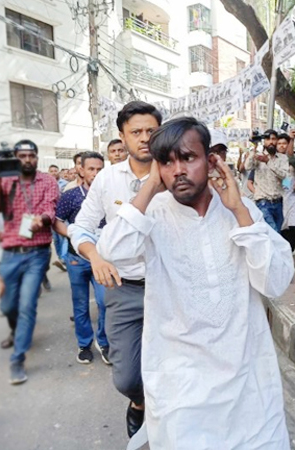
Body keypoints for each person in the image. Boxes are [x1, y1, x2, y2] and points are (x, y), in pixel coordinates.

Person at [97, 117, 292, 448]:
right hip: (181, 385)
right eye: (167, 161)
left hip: (248, 381)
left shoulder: (242, 211)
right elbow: (112, 252)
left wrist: (239, 213)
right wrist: (148, 189)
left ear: (210, 160)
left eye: (188, 157)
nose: (177, 170)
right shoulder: (152, 213)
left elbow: (275, 281)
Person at [68, 101, 162, 437]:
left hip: (168, 287)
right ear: (122, 137)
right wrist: (96, 257)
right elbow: (81, 227)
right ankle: (139, 403)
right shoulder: (107, 179)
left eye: (151, 131)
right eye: (136, 132)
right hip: (123, 287)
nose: (144, 138)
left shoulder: (174, 171)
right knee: (127, 378)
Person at [0, 139, 59, 384]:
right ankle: (16, 331)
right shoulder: (7, 181)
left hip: (36, 254)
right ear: (15, 157)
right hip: (10, 254)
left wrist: (44, 220)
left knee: (27, 305)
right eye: (23, 156)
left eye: (32, 156)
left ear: (37, 158)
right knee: (7, 306)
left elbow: (51, 208)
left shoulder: (48, 181)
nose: (27, 160)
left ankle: (18, 359)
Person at [53, 152, 109, 365]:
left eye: (99, 169)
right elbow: (57, 221)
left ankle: (103, 342)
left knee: (104, 302)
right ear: (81, 170)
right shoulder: (71, 195)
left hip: (103, 259)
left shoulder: (110, 194)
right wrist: (75, 236)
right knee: (80, 304)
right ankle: (84, 344)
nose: (96, 173)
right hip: (77, 259)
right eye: (91, 169)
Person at [245, 129, 288, 232]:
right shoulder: (258, 156)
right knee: (274, 232)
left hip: (279, 202)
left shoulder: (282, 158)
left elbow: (284, 175)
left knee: (277, 235)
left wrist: (268, 162)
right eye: (268, 139)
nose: (271, 142)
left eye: (273, 139)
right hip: (263, 203)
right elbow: (247, 166)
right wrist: (254, 148)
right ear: (264, 141)